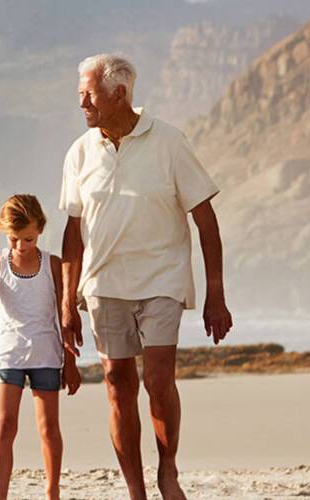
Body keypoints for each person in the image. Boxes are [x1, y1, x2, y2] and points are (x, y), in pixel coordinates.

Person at [59, 53, 233, 500]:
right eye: (80, 93)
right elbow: (73, 232)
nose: (82, 102)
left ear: (119, 94)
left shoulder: (170, 141)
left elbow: (206, 219)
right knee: (118, 386)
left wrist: (216, 293)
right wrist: (65, 301)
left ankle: (167, 469)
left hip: (162, 278)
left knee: (158, 381)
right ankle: (136, 491)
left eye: (89, 93)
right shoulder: (80, 152)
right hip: (102, 284)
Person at [0, 194, 82, 500]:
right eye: (14, 239)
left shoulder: (54, 264)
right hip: (7, 354)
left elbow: (65, 317)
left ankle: (52, 491)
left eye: (28, 239)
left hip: (47, 354)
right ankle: (0, 496)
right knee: (5, 426)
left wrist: (71, 363)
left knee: (49, 429)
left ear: (41, 229)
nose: (21, 246)